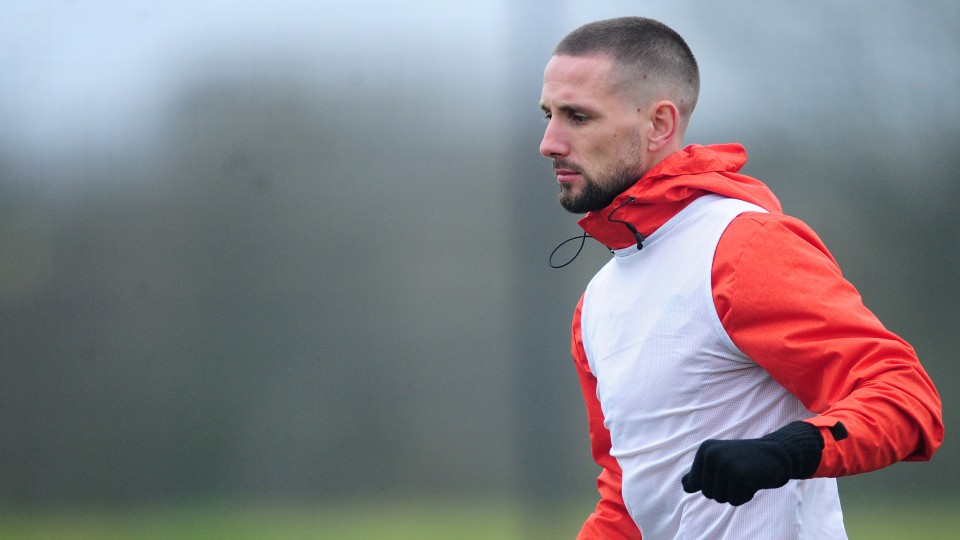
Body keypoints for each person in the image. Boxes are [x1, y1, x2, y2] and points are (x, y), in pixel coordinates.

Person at [539, 16, 943, 539]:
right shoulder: (596, 301)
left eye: (578, 116)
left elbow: (907, 400)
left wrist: (787, 451)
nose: (549, 142)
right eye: (548, 115)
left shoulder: (743, 248)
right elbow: (628, 497)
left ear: (660, 124)